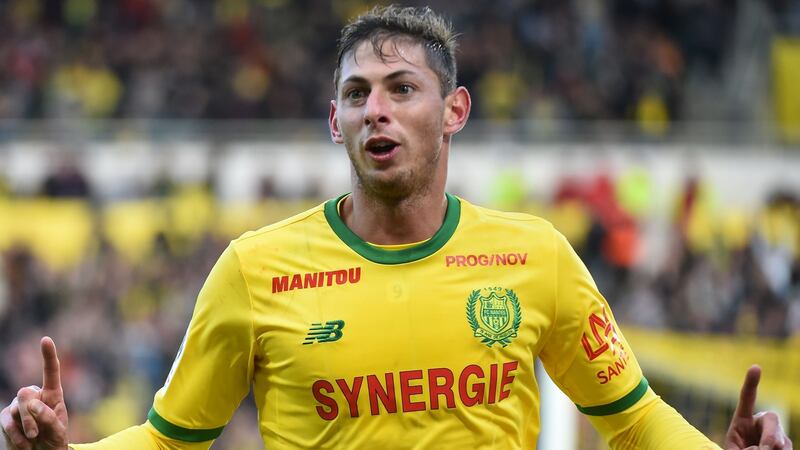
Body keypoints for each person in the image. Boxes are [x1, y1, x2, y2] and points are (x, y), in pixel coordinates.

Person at [0, 6, 793, 450]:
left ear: (455, 111)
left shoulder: (536, 257)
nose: (374, 106)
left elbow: (634, 418)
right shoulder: (254, 270)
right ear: (334, 123)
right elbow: (170, 439)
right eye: (355, 93)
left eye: (401, 87)